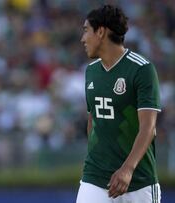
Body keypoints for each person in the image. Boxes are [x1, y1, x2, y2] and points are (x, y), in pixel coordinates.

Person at [77, 4, 161, 203]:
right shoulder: (91, 71)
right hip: (95, 178)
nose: (82, 39)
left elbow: (148, 128)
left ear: (101, 32)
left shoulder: (142, 69)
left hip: (138, 180)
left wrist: (127, 169)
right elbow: (93, 120)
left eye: (86, 31)